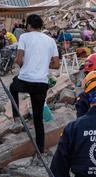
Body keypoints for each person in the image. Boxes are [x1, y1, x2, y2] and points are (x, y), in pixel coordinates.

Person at [9, 14, 61, 152]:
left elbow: (18, 60)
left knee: (12, 87)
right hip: (41, 84)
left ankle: (16, 117)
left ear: (28, 26)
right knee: (38, 120)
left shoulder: (24, 37)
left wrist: (25, 66)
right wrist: (43, 63)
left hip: (25, 80)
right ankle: (40, 150)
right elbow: (56, 65)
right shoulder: (50, 40)